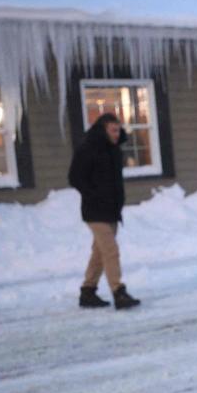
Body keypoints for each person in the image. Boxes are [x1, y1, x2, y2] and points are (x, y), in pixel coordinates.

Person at [68, 113, 141, 310]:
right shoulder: (88, 149)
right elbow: (75, 177)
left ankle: (88, 292)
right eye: (113, 130)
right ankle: (119, 292)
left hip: (111, 210)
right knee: (111, 251)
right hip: (95, 210)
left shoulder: (114, 151)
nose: (117, 134)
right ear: (103, 130)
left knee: (100, 253)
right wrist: (93, 194)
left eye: (119, 130)